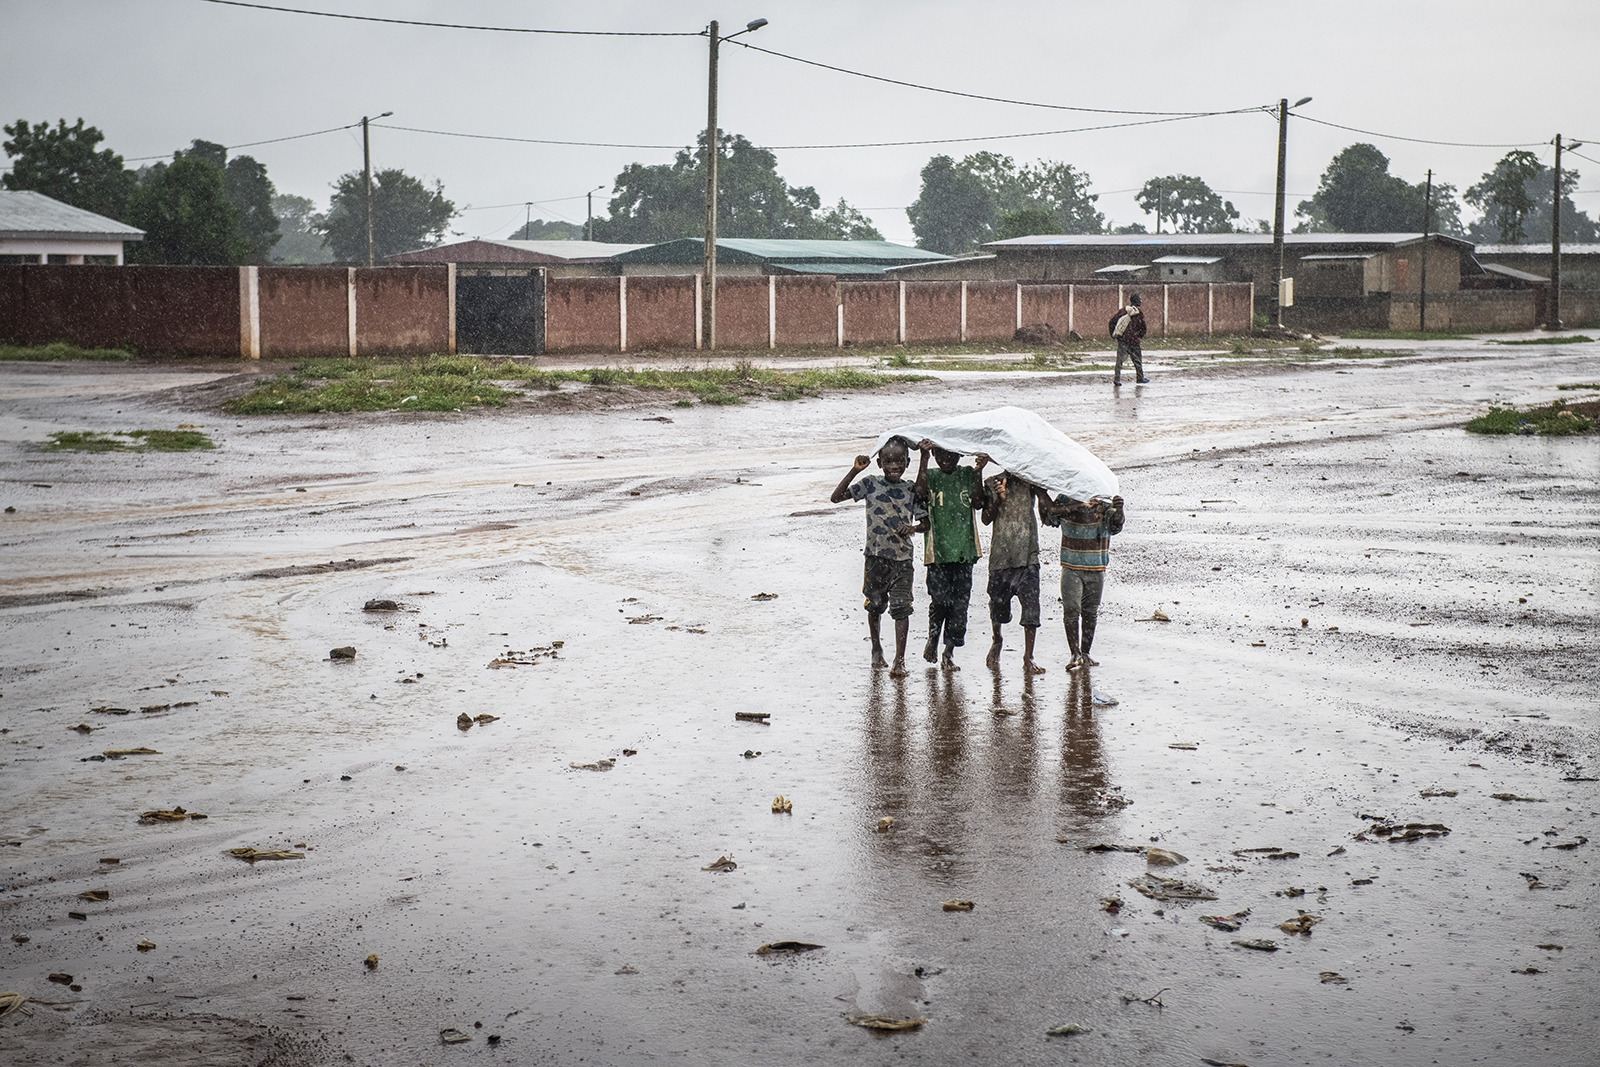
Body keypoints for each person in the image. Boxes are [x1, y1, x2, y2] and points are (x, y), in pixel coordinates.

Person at [831, 437, 927, 677]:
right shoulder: (870, 484)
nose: (894, 466)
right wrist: (855, 469)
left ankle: (899, 660)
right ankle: (876, 647)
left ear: (907, 462)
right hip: (875, 557)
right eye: (888, 461)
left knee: (902, 608)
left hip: (903, 559)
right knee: (875, 605)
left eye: (899, 461)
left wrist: (912, 528)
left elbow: (926, 523)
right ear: (880, 464)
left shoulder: (910, 490)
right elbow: (836, 497)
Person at [913, 439, 988, 671]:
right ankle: (933, 638)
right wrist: (923, 459)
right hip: (938, 552)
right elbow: (919, 494)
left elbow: (978, 502)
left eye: (952, 455)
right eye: (940, 456)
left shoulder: (967, 474)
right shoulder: (931, 476)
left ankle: (949, 651)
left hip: (965, 551)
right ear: (934, 455)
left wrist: (978, 472)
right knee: (940, 600)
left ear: (960, 455)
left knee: (959, 605)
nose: (947, 460)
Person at [1038, 493, 1126, 669]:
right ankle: (1075, 652)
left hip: (1096, 566)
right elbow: (1049, 518)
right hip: (1071, 566)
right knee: (1071, 609)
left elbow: (1115, 526)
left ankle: (1085, 653)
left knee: (1090, 612)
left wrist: (1119, 509)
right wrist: (1041, 495)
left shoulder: (1105, 503)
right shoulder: (1066, 499)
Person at [980, 469, 1052, 674]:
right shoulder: (992, 482)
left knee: (1031, 609)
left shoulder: (1030, 481)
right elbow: (986, 518)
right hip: (1001, 557)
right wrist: (997, 499)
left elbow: (1047, 516)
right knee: (998, 607)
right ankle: (997, 639)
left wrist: (1040, 490)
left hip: (1028, 555)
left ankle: (1028, 657)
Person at [1109, 291, 1149, 386]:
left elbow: (1112, 322)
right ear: (1136, 301)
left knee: (1119, 361)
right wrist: (1138, 336)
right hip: (1134, 341)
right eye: (1140, 299)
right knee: (1137, 360)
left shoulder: (1123, 311)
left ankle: (1117, 379)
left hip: (1122, 340)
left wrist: (1114, 334)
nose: (1141, 301)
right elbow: (1143, 327)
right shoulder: (1138, 313)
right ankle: (1140, 378)